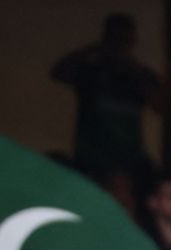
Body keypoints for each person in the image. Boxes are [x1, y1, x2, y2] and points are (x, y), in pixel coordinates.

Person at [50, 13, 161, 178]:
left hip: (130, 158)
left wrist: (134, 67)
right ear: (106, 38)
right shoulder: (91, 70)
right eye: (115, 38)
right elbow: (59, 72)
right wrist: (92, 49)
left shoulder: (140, 75)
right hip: (92, 158)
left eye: (125, 39)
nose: (120, 45)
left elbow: (160, 106)